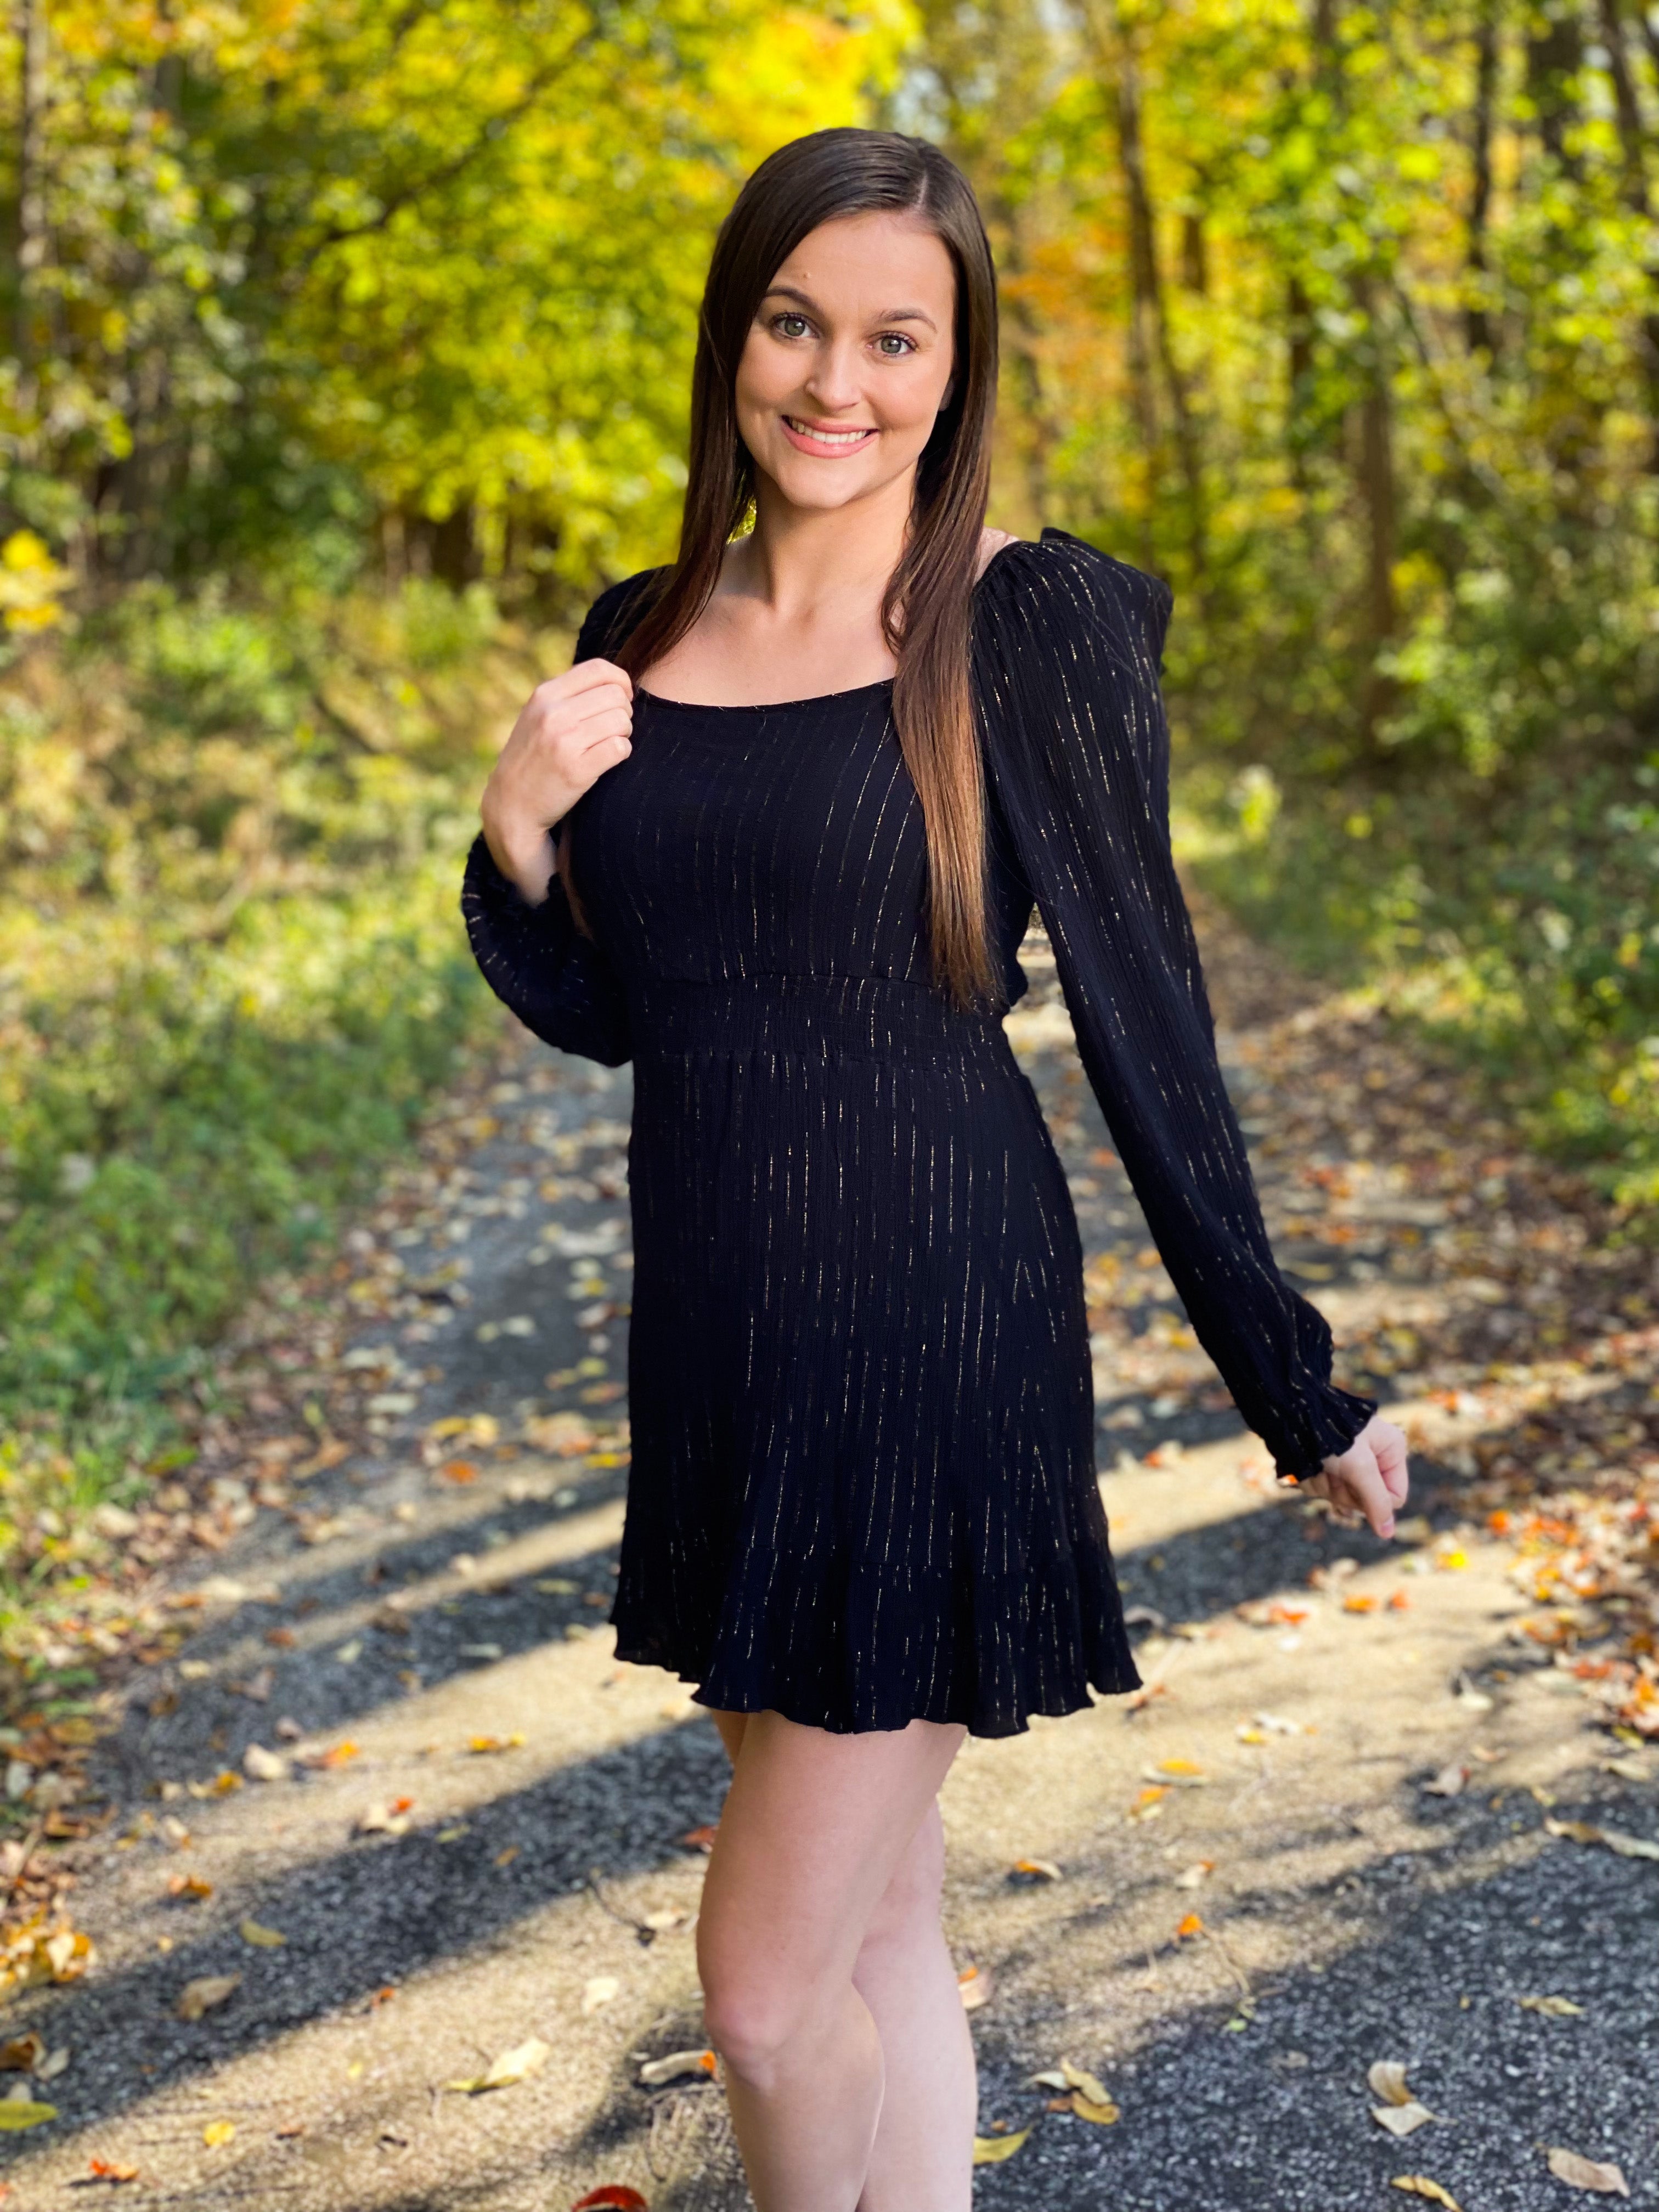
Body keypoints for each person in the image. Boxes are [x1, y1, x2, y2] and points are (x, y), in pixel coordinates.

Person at [461, 126, 1408, 2212]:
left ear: (959, 366)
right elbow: (641, 1002)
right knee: (882, 1929)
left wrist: (1291, 1375)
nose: (837, 382)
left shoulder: (1020, 627)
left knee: (767, 1996)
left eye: (898, 338)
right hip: (715, 1346)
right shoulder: (641, 626)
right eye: (797, 321)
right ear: (736, 333)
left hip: (928, 1336)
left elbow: (1153, 1019)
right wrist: (520, 835)